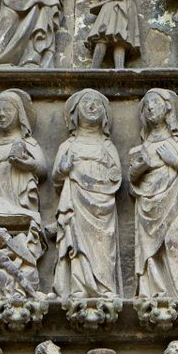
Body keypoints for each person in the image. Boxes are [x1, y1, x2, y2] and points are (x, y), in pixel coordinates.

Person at [53, 89, 121, 298]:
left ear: (104, 115)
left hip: (103, 203)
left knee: (103, 244)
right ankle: (79, 288)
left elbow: (117, 175)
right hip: (76, 200)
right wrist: (63, 169)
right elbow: (56, 177)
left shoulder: (107, 146)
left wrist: (108, 175)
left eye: (97, 103)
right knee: (77, 243)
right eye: (87, 103)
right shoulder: (69, 145)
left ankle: (105, 287)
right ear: (75, 113)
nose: (92, 106)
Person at [130, 89, 178, 297]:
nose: (151, 107)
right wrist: (139, 168)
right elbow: (132, 179)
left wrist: (175, 162)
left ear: (168, 108)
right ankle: (155, 292)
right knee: (149, 251)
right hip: (147, 206)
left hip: (175, 201)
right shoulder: (143, 146)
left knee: (174, 239)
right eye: (147, 104)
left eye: (156, 102)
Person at [0, 89, 47, 252]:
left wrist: (25, 163)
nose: (2, 115)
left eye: (7, 110)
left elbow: (43, 169)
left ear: (19, 114)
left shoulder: (27, 142)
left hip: (19, 193)